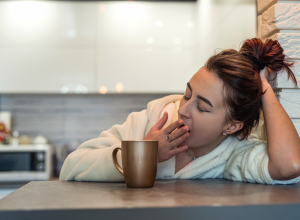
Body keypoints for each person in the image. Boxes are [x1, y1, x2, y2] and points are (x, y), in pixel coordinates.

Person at [59, 38, 300, 184]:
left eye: (202, 107)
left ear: (232, 125)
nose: (183, 109)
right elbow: (72, 166)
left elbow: (289, 165)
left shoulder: (231, 155)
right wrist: (144, 152)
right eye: (187, 94)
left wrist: (265, 90)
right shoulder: (156, 116)